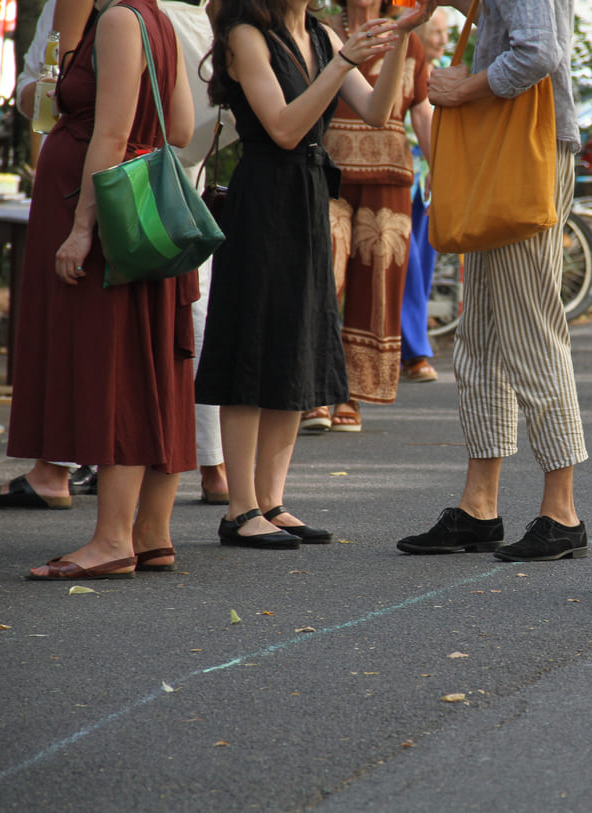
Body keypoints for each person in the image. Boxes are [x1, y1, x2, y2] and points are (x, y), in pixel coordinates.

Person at [195, 0, 426, 548]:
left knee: (294, 345)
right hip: (263, 199)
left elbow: (376, 112)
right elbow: (283, 127)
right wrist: (342, 61)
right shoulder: (247, 35)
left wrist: (397, 44)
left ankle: (272, 502)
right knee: (252, 346)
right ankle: (239, 509)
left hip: (307, 196)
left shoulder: (320, 33)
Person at [2, 0, 197, 579]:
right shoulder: (157, 19)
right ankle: (151, 532)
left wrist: (82, 228)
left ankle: (113, 539)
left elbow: (110, 134)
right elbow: (180, 128)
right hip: (142, 206)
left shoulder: (116, 21)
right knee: (149, 364)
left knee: (114, 368)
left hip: (108, 213)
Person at [394, 0, 589, 563]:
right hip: (509, 147)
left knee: (530, 329)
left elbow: (538, 50)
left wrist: (463, 89)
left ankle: (563, 511)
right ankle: (479, 507)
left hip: (525, 146)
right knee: (481, 334)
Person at [319, 0, 431, 432]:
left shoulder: (410, 37)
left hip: (390, 177)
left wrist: (441, 168)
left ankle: (349, 394)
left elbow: (420, 107)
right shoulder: (322, 32)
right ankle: (314, 391)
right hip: (328, 173)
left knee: (376, 289)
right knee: (323, 278)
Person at [397, 6, 449, 385]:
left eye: (447, 32)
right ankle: (415, 349)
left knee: (424, 261)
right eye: (438, 31)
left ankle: (412, 343)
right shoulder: (405, 55)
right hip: (403, 167)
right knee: (408, 260)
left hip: (433, 170)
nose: (443, 38)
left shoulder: (448, 67)